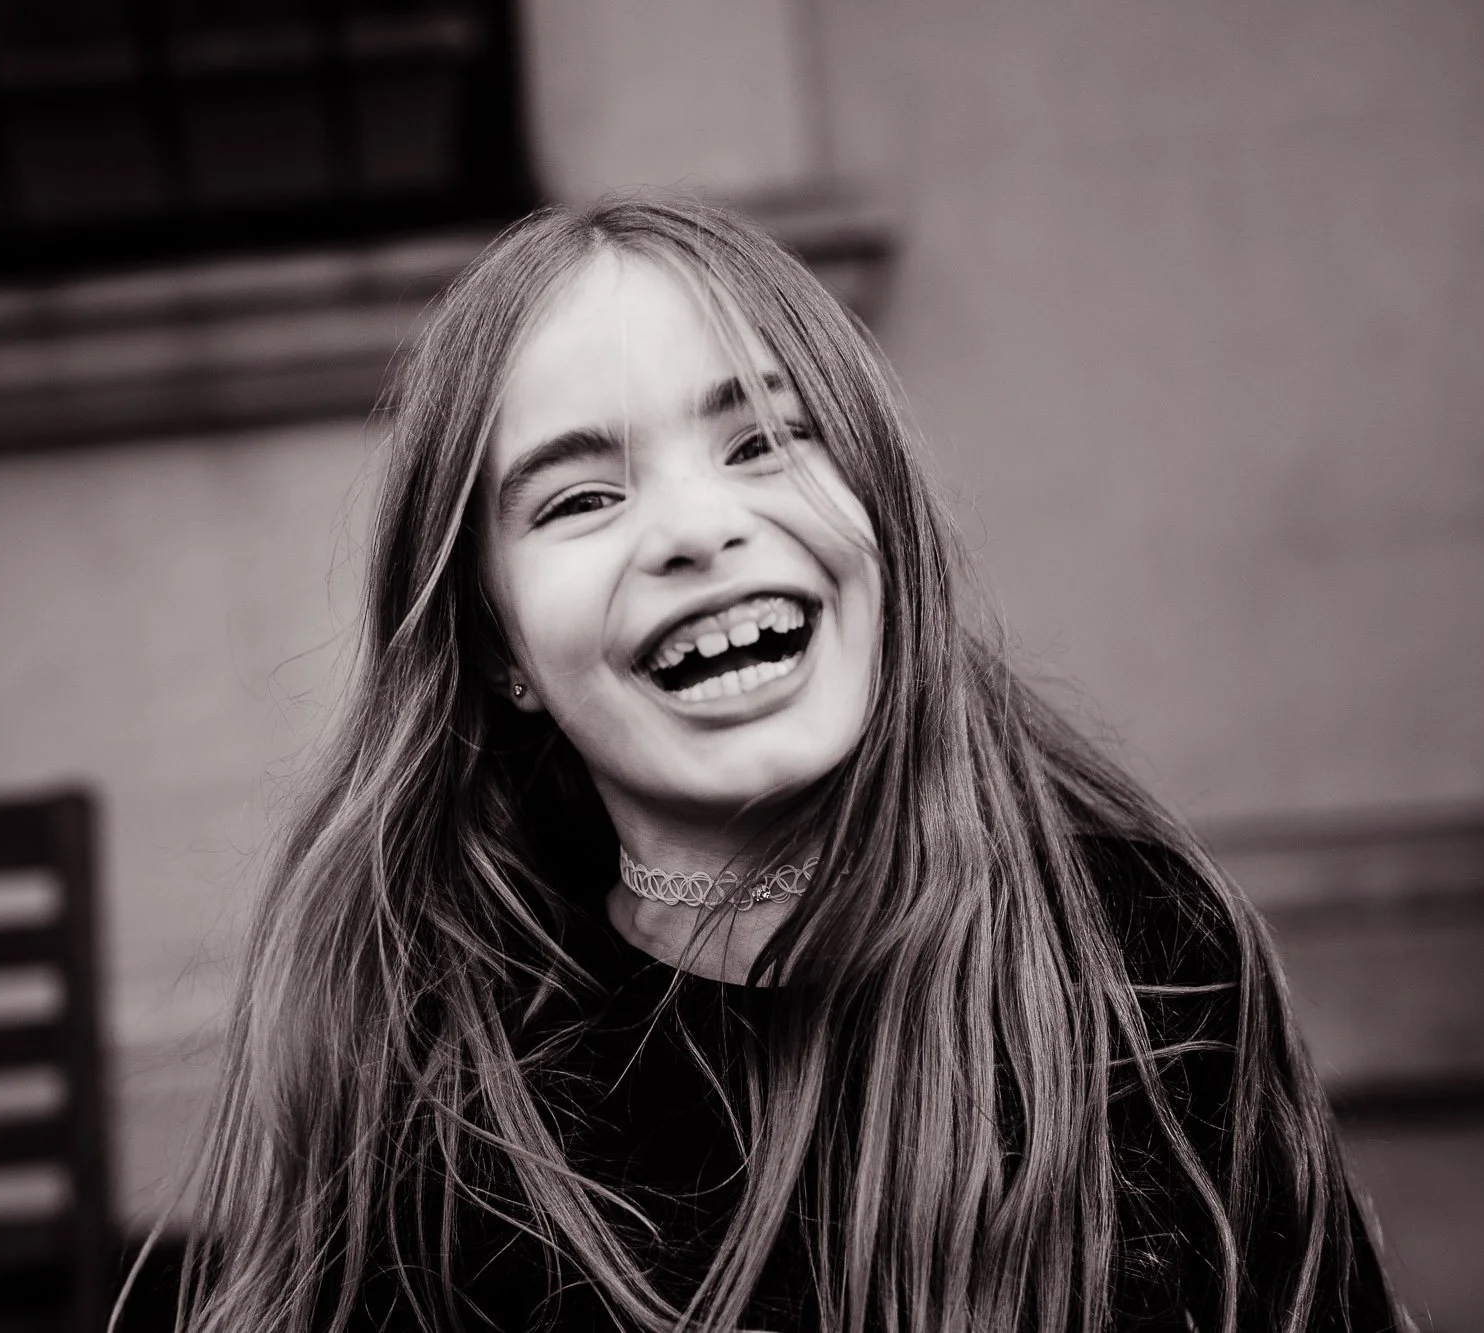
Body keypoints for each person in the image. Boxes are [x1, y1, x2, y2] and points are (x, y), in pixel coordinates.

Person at [171, 195, 1404, 1332]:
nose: (697, 527)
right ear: (499, 650)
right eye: (579, 499)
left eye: (761, 438)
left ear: (879, 508)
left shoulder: (1141, 957)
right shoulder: (437, 1082)